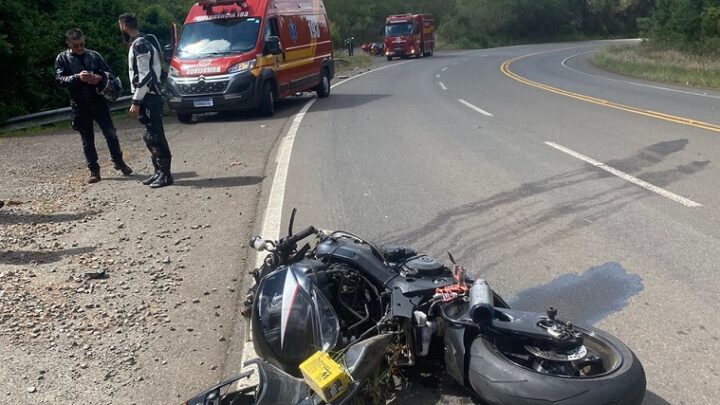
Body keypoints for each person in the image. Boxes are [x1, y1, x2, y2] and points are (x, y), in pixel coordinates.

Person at [55, 28, 133, 183]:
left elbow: (109, 73)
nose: (79, 48)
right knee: (87, 139)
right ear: (68, 43)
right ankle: (94, 170)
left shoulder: (94, 55)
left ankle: (119, 162)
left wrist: (100, 77)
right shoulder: (62, 58)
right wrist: (77, 78)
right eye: (75, 45)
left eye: (82, 44)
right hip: (79, 104)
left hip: (98, 101)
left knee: (111, 133)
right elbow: (58, 80)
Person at [118, 13, 173, 188]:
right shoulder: (144, 41)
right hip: (149, 95)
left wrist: (136, 101)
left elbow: (146, 75)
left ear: (123, 25)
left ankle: (165, 174)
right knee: (149, 135)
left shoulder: (140, 44)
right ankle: (158, 171)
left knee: (155, 135)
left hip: (149, 96)